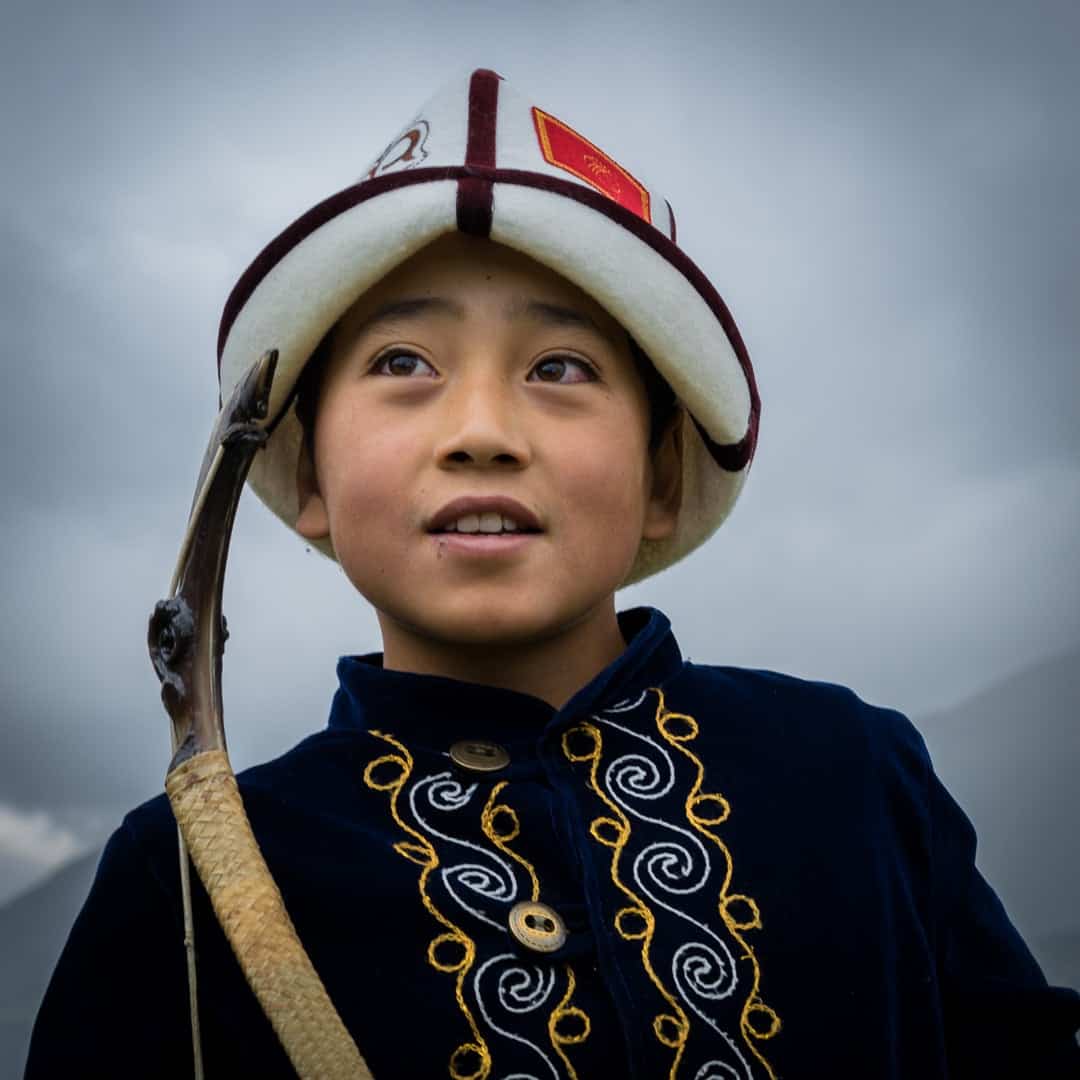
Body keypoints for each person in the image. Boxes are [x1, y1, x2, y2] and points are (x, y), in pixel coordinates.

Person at [25, 69, 1080, 1080]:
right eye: (403, 364)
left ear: (662, 476)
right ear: (307, 476)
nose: (481, 432)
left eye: (559, 369)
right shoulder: (188, 876)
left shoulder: (855, 777)